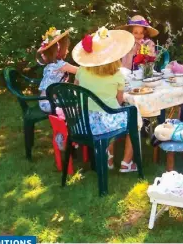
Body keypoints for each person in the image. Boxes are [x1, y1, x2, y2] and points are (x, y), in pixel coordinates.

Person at [71, 27, 138, 173]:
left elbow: (76, 90)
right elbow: (119, 101)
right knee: (135, 118)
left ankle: (109, 157)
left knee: (108, 113)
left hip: (84, 123)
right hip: (106, 122)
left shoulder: (82, 70)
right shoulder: (117, 75)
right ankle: (126, 163)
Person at [37, 27, 78, 113]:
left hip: (43, 101)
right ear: (59, 50)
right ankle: (73, 123)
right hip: (50, 103)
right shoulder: (60, 65)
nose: (67, 50)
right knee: (78, 105)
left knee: (74, 96)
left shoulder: (50, 64)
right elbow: (80, 71)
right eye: (66, 48)